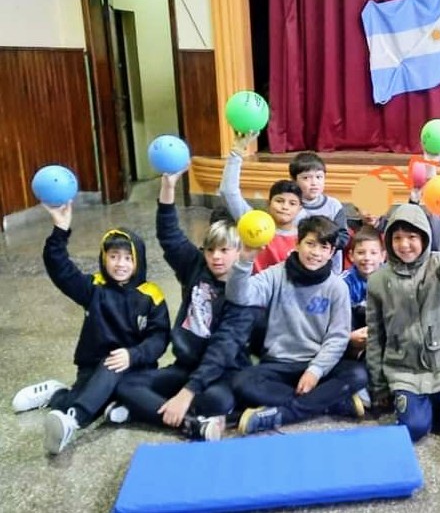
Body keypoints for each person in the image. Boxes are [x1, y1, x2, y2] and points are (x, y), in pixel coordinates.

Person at [113, 171, 261, 441]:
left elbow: (223, 349)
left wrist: (187, 393)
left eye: (224, 251)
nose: (216, 257)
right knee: (127, 384)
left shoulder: (246, 293)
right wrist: (168, 187)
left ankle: (151, 410)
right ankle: (193, 425)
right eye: (210, 250)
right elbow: (169, 235)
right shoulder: (196, 266)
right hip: (186, 366)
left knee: (217, 401)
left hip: (222, 372)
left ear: (240, 252)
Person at [12, 203, 170, 454]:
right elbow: (60, 269)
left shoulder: (152, 295)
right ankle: (58, 394)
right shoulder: (93, 287)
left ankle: (73, 419)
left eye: (128, 258)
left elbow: (159, 338)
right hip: (93, 368)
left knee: (118, 388)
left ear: (138, 261)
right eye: (114, 256)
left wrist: (133, 355)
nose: (120, 264)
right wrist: (60, 230)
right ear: (104, 258)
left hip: (135, 369)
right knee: (91, 397)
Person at [226, 216, 368, 434]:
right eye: (310, 244)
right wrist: (244, 261)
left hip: (318, 363)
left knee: (358, 375)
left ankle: (283, 414)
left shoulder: (337, 287)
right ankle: (329, 403)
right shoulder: (276, 274)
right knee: (242, 383)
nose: (316, 252)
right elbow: (240, 296)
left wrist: (315, 371)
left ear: (331, 252)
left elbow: (338, 337)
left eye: (324, 247)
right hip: (279, 363)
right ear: (297, 243)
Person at [366, 204, 440, 442]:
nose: (404, 244)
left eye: (412, 237)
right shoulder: (378, 280)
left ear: (425, 238)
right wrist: (379, 386)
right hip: (406, 371)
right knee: (414, 428)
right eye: (397, 238)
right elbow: (375, 335)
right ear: (388, 241)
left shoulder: (439, 266)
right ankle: (428, 406)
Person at [219, 131, 305, 272]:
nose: (285, 207)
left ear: (300, 209)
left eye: (292, 203)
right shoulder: (253, 222)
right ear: (268, 203)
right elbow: (228, 192)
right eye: (279, 201)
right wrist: (236, 153)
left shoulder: (304, 236)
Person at [289, 152, 350, 273]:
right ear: (294, 180)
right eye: (306, 178)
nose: (314, 182)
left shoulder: (333, 206)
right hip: (297, 269)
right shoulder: (291, 206)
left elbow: (343, 237)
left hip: (330, 271)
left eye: (319, 177)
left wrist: (322, 245)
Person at [341, 225, 386, 360]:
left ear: (383, 256)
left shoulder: (390, 279)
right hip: (354, 332)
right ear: (351, 256)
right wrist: (349, 336)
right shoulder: (343, 282)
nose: (367, 258)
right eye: (361, 253)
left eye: (373, 253)